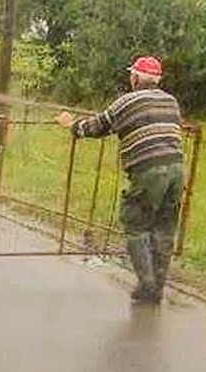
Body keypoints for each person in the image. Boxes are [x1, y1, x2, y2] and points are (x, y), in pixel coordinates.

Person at [56, 56, 184, 304]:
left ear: (135, 78)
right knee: (164, 229)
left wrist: (72, 125)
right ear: (157, 80)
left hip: (149, 171)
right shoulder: (171, 101)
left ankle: (146, 283)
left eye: (131, 75)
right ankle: (157, 288)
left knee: (134, 222)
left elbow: (97, 127)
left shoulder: (126, 102)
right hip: (177, 169)